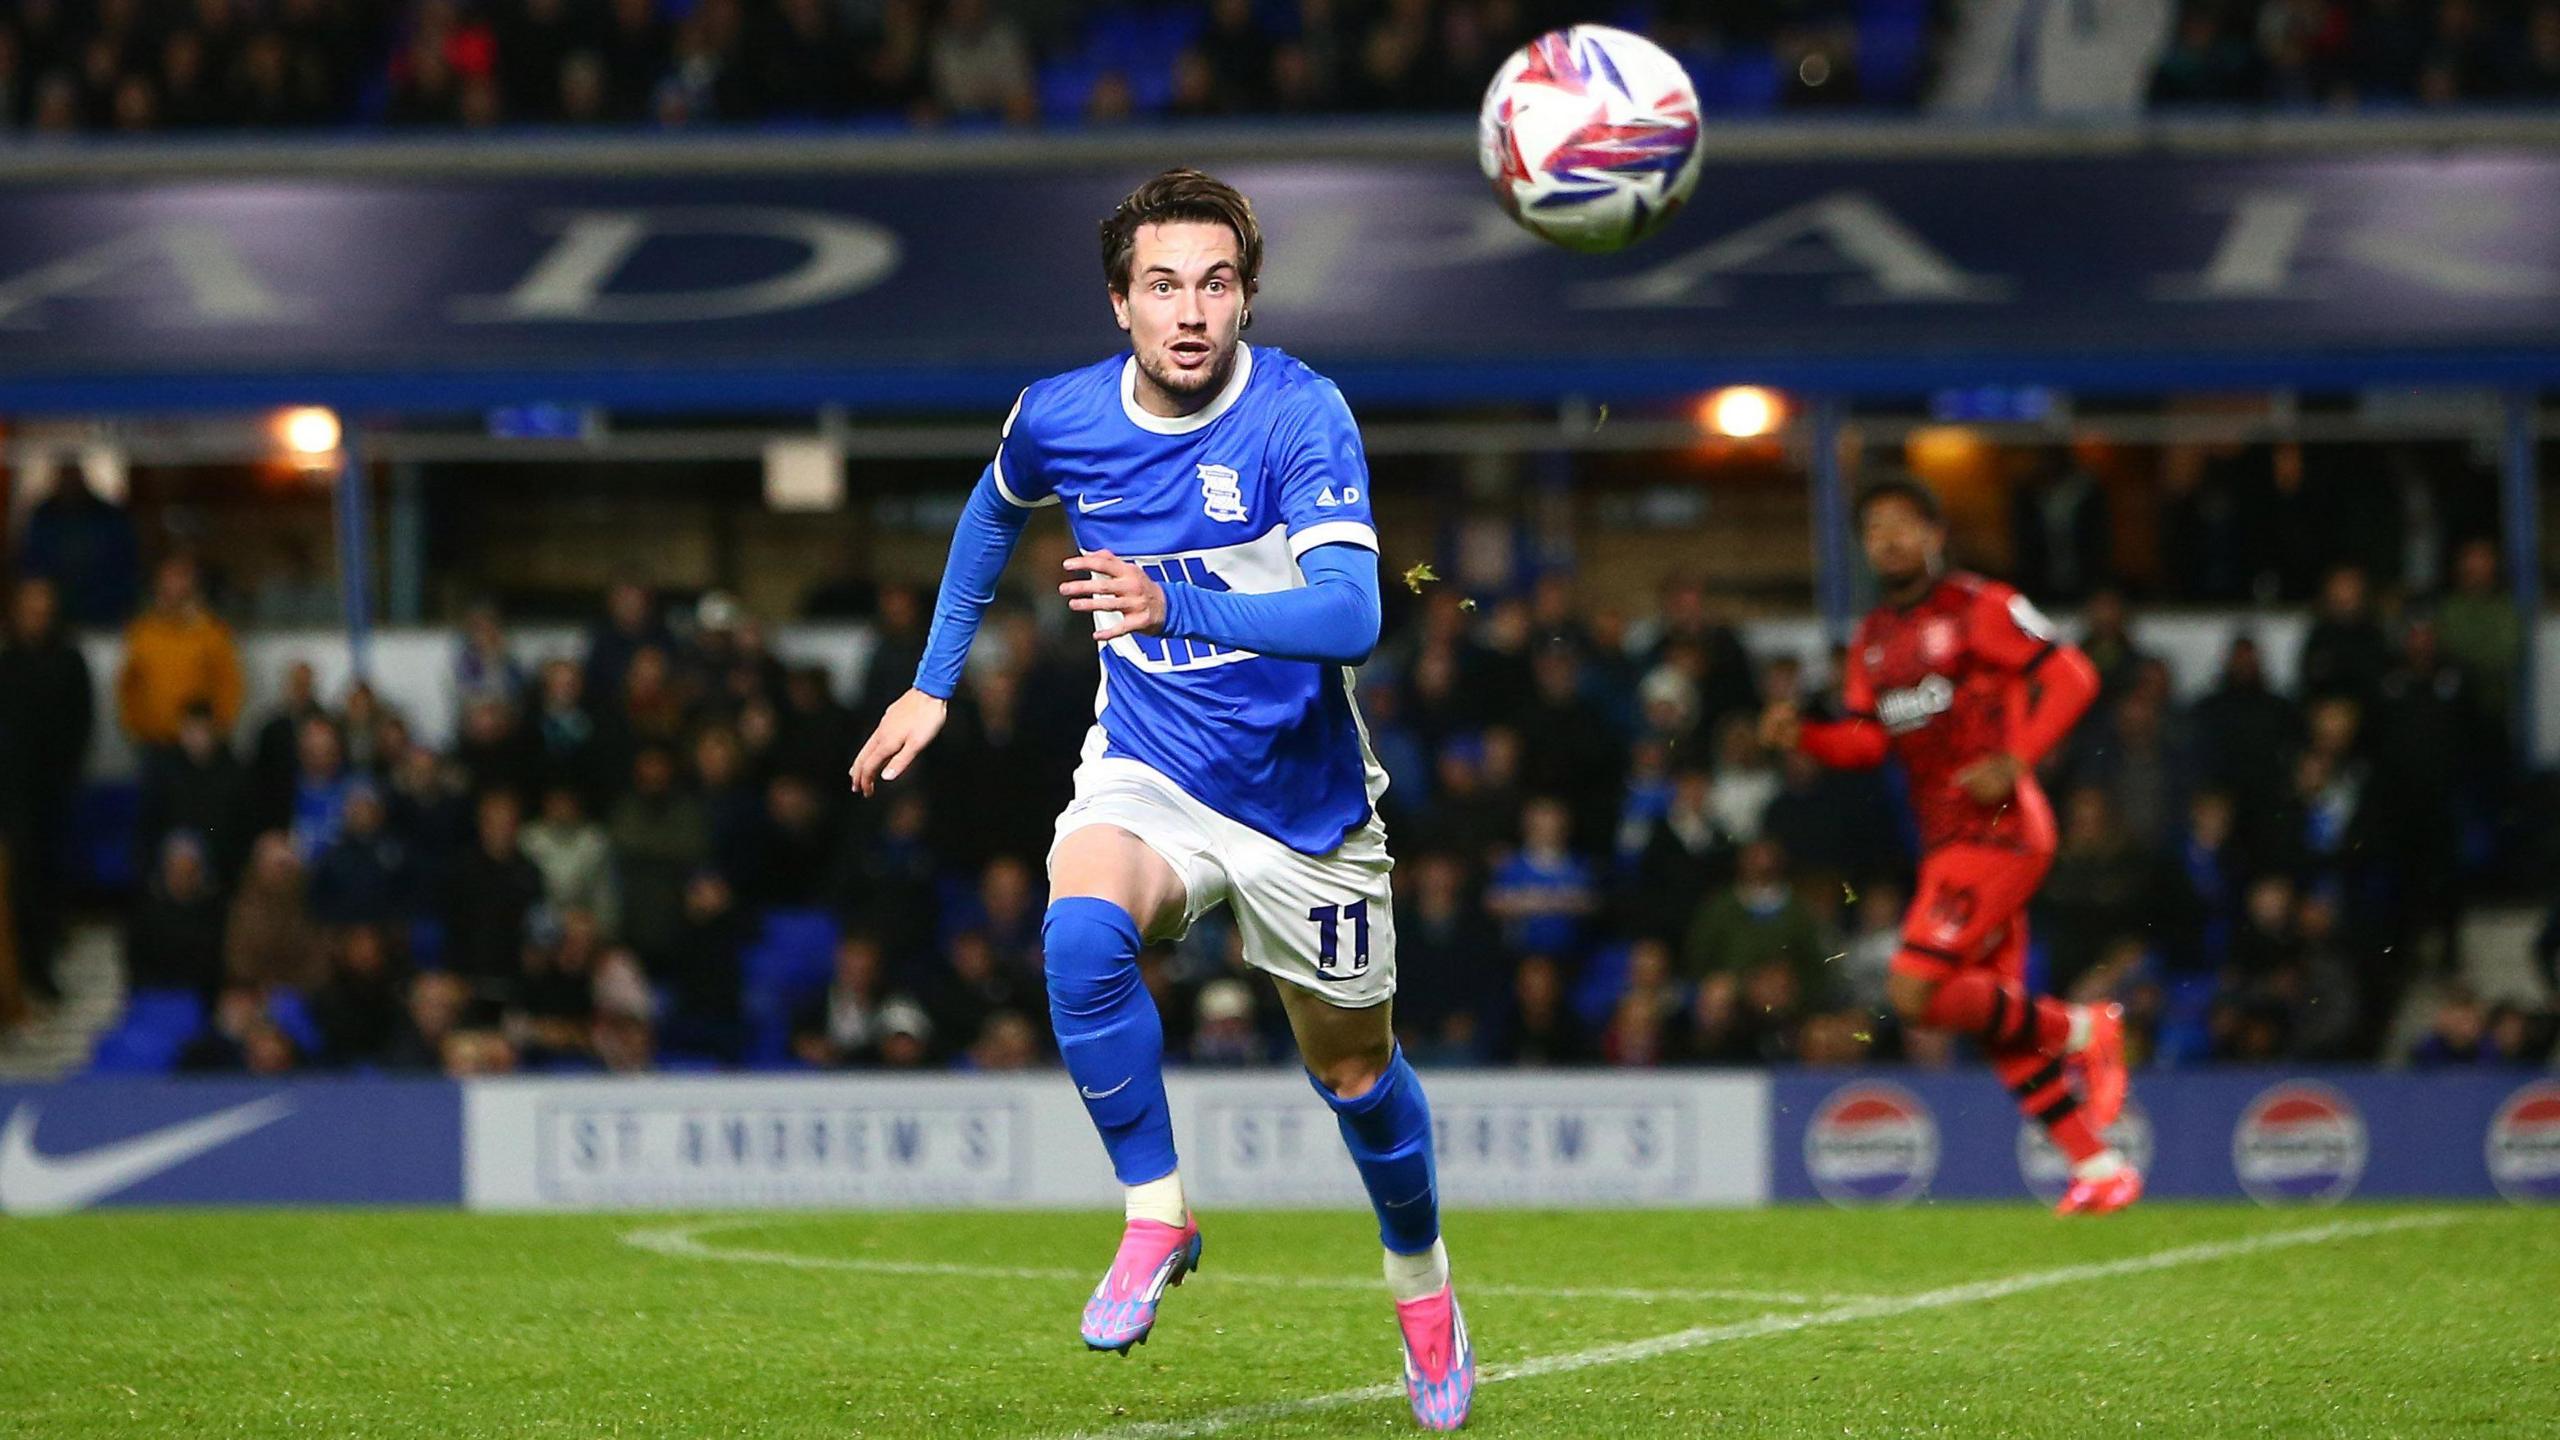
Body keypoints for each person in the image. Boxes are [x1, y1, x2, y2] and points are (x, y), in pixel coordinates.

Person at [849, 170, 1470, 1426]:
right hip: (1151, 768)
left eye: (1216, 283)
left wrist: (1167, 600)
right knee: (1078, 932)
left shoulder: (1301, 413)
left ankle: (1423, 1285)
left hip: (1306, 806)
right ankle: (1157, 1215)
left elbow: (1354, 614)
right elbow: (991, 508)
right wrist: (932, 686)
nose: (1190, 311)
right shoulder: (1060, 414)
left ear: (1246, 297)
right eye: (1163, 285)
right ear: (1120, 303)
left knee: (1356, 1077)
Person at [1761, 478, 2136, 1217]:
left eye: (1905, 524)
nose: (1890, 540)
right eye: (1875, 528)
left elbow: (2072, 675)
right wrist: (1801, 735)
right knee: (1991, 1016)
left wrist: (2019, 757)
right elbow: (1869, 743)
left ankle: (2090, 1027)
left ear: (1935, 533)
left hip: (1999, 832)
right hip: (1946, 842)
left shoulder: (1981, 606)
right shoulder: (1871, 641)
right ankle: (2098, 1165)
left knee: (1912, 989)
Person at [117, 555, 243, 751]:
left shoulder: (213, 633)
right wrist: (134, 727)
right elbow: (128, 686)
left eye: (180, 578)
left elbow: (229, 685)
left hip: (200, 745)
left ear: (193, 585)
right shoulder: (142, 633)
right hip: (152, 743)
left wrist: (219, 729)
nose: (173, 586)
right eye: (167, 579)